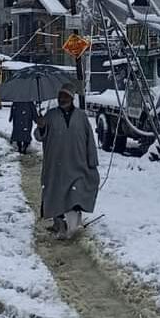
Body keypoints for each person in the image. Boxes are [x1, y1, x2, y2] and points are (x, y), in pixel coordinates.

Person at [34, 87, 99, 239]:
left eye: (65, 96)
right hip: (56, 165)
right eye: (60, 96)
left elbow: (90, 140)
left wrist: (92, 161)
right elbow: (38, 137)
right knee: (57, 196)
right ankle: (60, 225)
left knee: (76, 195)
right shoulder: (50, 115)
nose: (62, 99)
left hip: (78, 164)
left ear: (71, 98)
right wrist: (41, 127)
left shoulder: (81, 117)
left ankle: (73, 227)